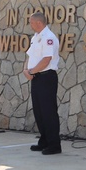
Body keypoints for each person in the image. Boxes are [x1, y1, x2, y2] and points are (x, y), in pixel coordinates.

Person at [23, 12, 61, 155]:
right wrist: (26, 70)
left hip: (46, 77)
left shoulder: (48, 38)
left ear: (39, 23)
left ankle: (54, 144)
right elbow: (30, 56)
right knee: (39, 112)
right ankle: (44, 141)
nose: (30, 25)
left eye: (31, 22)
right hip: (37, 77)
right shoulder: (36, 37)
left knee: (48, 112)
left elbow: (47, 59)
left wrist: (31, 71)